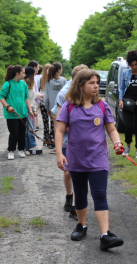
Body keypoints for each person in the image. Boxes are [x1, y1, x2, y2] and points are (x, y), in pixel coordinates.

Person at [56, 69, 124, 250]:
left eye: (97, 82)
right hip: (76, 159)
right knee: (80, 194)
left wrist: (117, 142)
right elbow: (60, 130)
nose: (96, 86)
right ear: (80, 85)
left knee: (100, 194)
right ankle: (82, 225)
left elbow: (111, 129)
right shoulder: (69, 106)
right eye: (92, 83)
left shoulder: (102, 106)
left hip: (98, 159)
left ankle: (105, 235)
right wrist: (59, 153)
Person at [55, 64, 89, 220]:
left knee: (77, 172)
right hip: (68, 137)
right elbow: (59, 118)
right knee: (67, 171)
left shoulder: (87, 93)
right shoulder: (64, 94)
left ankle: (76, 205)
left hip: (81, 139)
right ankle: (69, 196)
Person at [0, 65, 33, 160]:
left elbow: (26, 98)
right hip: (11, 114)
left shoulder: (24, 84)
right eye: (23, 72)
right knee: (14, 133)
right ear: (17, 73)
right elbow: (1, 97)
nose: (25, 74)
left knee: (22, 132)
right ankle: (11, 150)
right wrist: (7, 106)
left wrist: (30, 110)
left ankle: (21, 149)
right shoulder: (8, 84)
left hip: (22, 113)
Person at [44, 62, 67, 153]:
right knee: (65, 126)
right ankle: (64, 145)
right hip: (64, 107)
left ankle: (57, 147)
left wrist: (47, 108)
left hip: (53, 108)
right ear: (59, 70)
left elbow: (46, 97)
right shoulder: (64, 80)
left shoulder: (48, 81)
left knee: (56, 127)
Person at [24, 66, 43, 154]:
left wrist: (34, 110)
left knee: (30, 127)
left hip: (31, 108)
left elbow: (32, 99)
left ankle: (30, 145)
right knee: (28, 128)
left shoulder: (31, 84)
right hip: (26, 109)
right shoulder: (24, 84)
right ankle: (27, 146)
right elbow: (26, 98)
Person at [39, 64, 53, 146]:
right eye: (47, 69)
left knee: (52, 122)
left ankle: (51, 139)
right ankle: (46, 138)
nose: (48, 71)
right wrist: (42, 98)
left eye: (50, 69)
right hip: (43, 103)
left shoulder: (53, 80)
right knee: (45, 122)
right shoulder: (41, 80)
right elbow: (38, 91)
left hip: (51, 104)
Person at [34, 64, 43, 132]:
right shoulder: (43, 77)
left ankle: (36, 125)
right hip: (41, 96)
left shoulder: (33, 77)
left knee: (35, 111)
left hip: (36, 97)